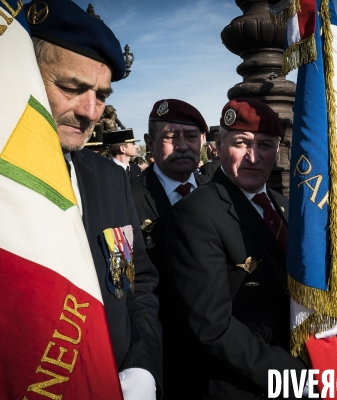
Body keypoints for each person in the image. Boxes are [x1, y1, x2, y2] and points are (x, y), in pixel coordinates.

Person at [25, 1, 162, 399]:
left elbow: (141, 283)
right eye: (70, 88)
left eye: (101, 95)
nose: (89, 111)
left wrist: (142, 368)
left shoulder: (107, 177)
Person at [165, 98, 337, 399]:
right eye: (242, 143)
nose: (254, 157)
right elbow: (213, 327)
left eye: (266, 145)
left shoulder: (285, 206)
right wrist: (293, 378)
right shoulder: (197, 214)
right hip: (246, 385)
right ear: (219, 143)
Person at [130, 98, 209, 398]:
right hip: (160, 353)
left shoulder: (217, 192)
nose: (182, 145)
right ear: (150, 142)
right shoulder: (128, 199)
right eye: (170, 137)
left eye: (191, 137)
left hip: (215, 359)